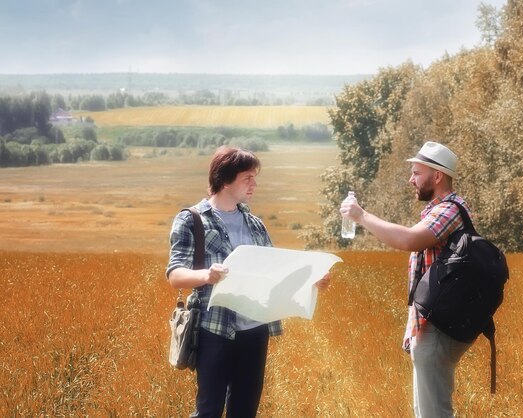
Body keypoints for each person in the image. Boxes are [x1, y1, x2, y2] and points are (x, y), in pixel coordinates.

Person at [167, 146, 330, 418]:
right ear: (225, 179)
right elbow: (175, 275)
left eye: (255, 177)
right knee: (208, 410)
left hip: (255, 330)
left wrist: (311, 281)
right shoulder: (192, 220)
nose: (254, 184)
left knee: (245, 411)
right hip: (214, 329)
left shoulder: (255, 223)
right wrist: (206, 275)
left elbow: (276, 273)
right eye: (248, 178)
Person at [340, 141, 472, 418]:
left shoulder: (449, 210)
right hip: (433, 323)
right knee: (426, 410)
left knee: (434, 412)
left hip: (437, 325)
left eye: (416, 173)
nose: (410, 179)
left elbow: (409, 240)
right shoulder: (442, 210)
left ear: (437, 176)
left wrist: (361, 216)